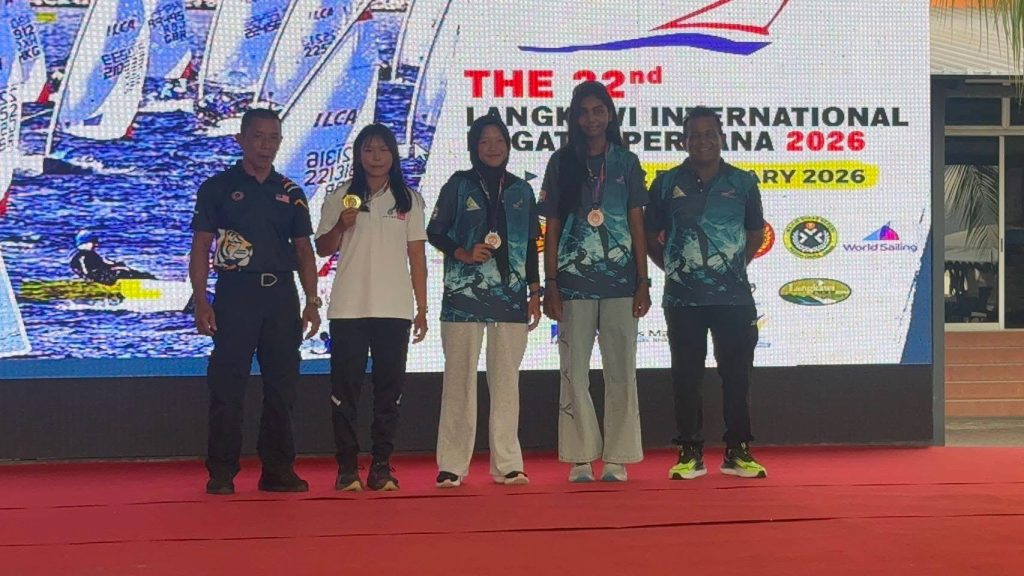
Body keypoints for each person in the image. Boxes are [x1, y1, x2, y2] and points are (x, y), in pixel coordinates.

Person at [189, 108, 321, 495]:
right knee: (227, 385)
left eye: (273, 137)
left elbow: (304, 250)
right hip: (236, 293)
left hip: (281, 296)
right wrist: (201, 299)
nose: (266, 145)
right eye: (259, 137)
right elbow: (201, 246)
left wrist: (312, 301)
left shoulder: (291, 192)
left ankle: (277, 470)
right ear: (241, 140)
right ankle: (222, 472)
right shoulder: (216, 188)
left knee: (282, 387)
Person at [644, 106, 767, 480]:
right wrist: (677, 269)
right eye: (694, 135)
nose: (702, 141)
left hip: (734, 298)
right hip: (683, 300)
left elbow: (755, 233)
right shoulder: (665, 183)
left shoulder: (743, 183)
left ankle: (738, 451)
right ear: (683, 141)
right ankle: (689, 452)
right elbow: (649, 237)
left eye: (709, 133)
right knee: (686, 376)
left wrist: (731, 268)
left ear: (721, 138)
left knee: (737, 376)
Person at [539, 81, 651, 483]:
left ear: (610, 115)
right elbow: (552, 227)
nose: (591, 119)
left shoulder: (627, 162)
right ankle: (581, 456)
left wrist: (643, 280)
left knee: (622, 371)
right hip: (573, 283)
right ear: (574, 117)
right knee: (574, 371)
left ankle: (618, 457)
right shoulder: (561, 162)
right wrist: (550, 282)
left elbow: (637, 223)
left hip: (621, 282)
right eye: (584, 112)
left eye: (598, 110)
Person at [428, 113, 541, 488]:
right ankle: (452, 464)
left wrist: (535, 292)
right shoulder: (458, 185)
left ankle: (508, 463)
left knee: (507, 383)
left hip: (511, 296)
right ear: (473, 147)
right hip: (463, 296)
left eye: (499, 140)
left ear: (508, 145)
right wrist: (461, 252)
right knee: (458, 381)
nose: (493, 147)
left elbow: (530, 246)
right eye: (484, 141)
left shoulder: (522, 190)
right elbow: (435, 231)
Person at [314, 123, 428, 492]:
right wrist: (340, 226)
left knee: (388, 392)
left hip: (394, 309)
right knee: (344, 392)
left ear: (393, 154)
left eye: (382, 150)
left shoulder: (409, 200)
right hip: (348, 307)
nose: (376, 157)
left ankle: (381, 466)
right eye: (368, 149)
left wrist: (422, 308)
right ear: (358, 154)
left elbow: (417, 256)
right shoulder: (341, 196)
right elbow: (322, 248)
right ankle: (347, 468)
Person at [69, 229, 154, 285]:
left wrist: (114, 264)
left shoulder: (88, 254)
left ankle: (148, 279)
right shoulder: (83, 256)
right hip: (103, 279)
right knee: (123, 271)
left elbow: (101, 265)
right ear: (85, 243)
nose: (96, 245)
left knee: (124, 269)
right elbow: (88, 272)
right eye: (94, 242)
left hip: (102, 276)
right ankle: (148, 282)